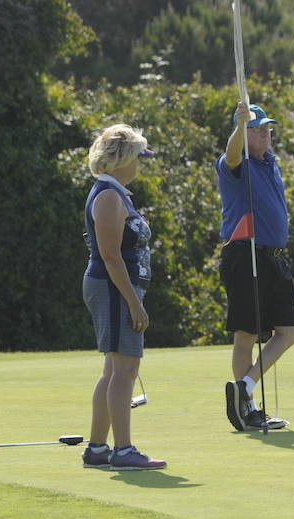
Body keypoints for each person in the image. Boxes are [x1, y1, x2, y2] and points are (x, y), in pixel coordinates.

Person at [81, 124, 166, 470]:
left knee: (114, 369)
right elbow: (111, 256)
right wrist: (134, 302)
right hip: (114, 289)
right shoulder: (108, 196)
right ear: (121, 161)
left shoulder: (115, 193)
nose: (139, 166)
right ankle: (124, 450)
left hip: (116, 288)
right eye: (137, 159)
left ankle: (99, 449)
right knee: (125, 370)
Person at [217, 101, 294, 431]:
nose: (264, 133)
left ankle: (246, 386)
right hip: (245, 252)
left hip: (274, 255)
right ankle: (247, 410)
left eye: (266, 128)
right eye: (256, 129)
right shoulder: (234, 164)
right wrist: (239, 127)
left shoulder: (269, 162)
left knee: (291, 330)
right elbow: (233, 155)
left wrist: (247, 127)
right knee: (247, 334)